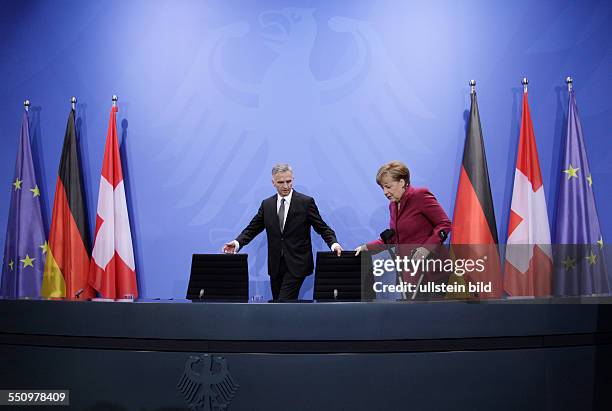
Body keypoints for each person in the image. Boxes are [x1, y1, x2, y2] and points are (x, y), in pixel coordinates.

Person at [223, 164, 343, 300]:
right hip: (275, 266)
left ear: (293, 179)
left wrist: (334, 244)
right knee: (280, 307)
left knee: (282, 302)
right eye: (281, 182)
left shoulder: (305, 202)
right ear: (273, 182)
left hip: (298, 264)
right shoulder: (266, 204)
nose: (285, 186)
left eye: (289, 181)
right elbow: (252, 229)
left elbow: (323, 228)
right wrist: (237, 243)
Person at [355, 161, 451, 291]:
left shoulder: (420, 195)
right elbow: (393, 239)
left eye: (388, 187)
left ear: (402, 182)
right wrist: (366, 247)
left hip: (432, 271)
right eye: (382, 188)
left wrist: (426, 248)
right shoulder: (393, 206)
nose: (385, 192)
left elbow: (444, 224)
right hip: (408, 273)